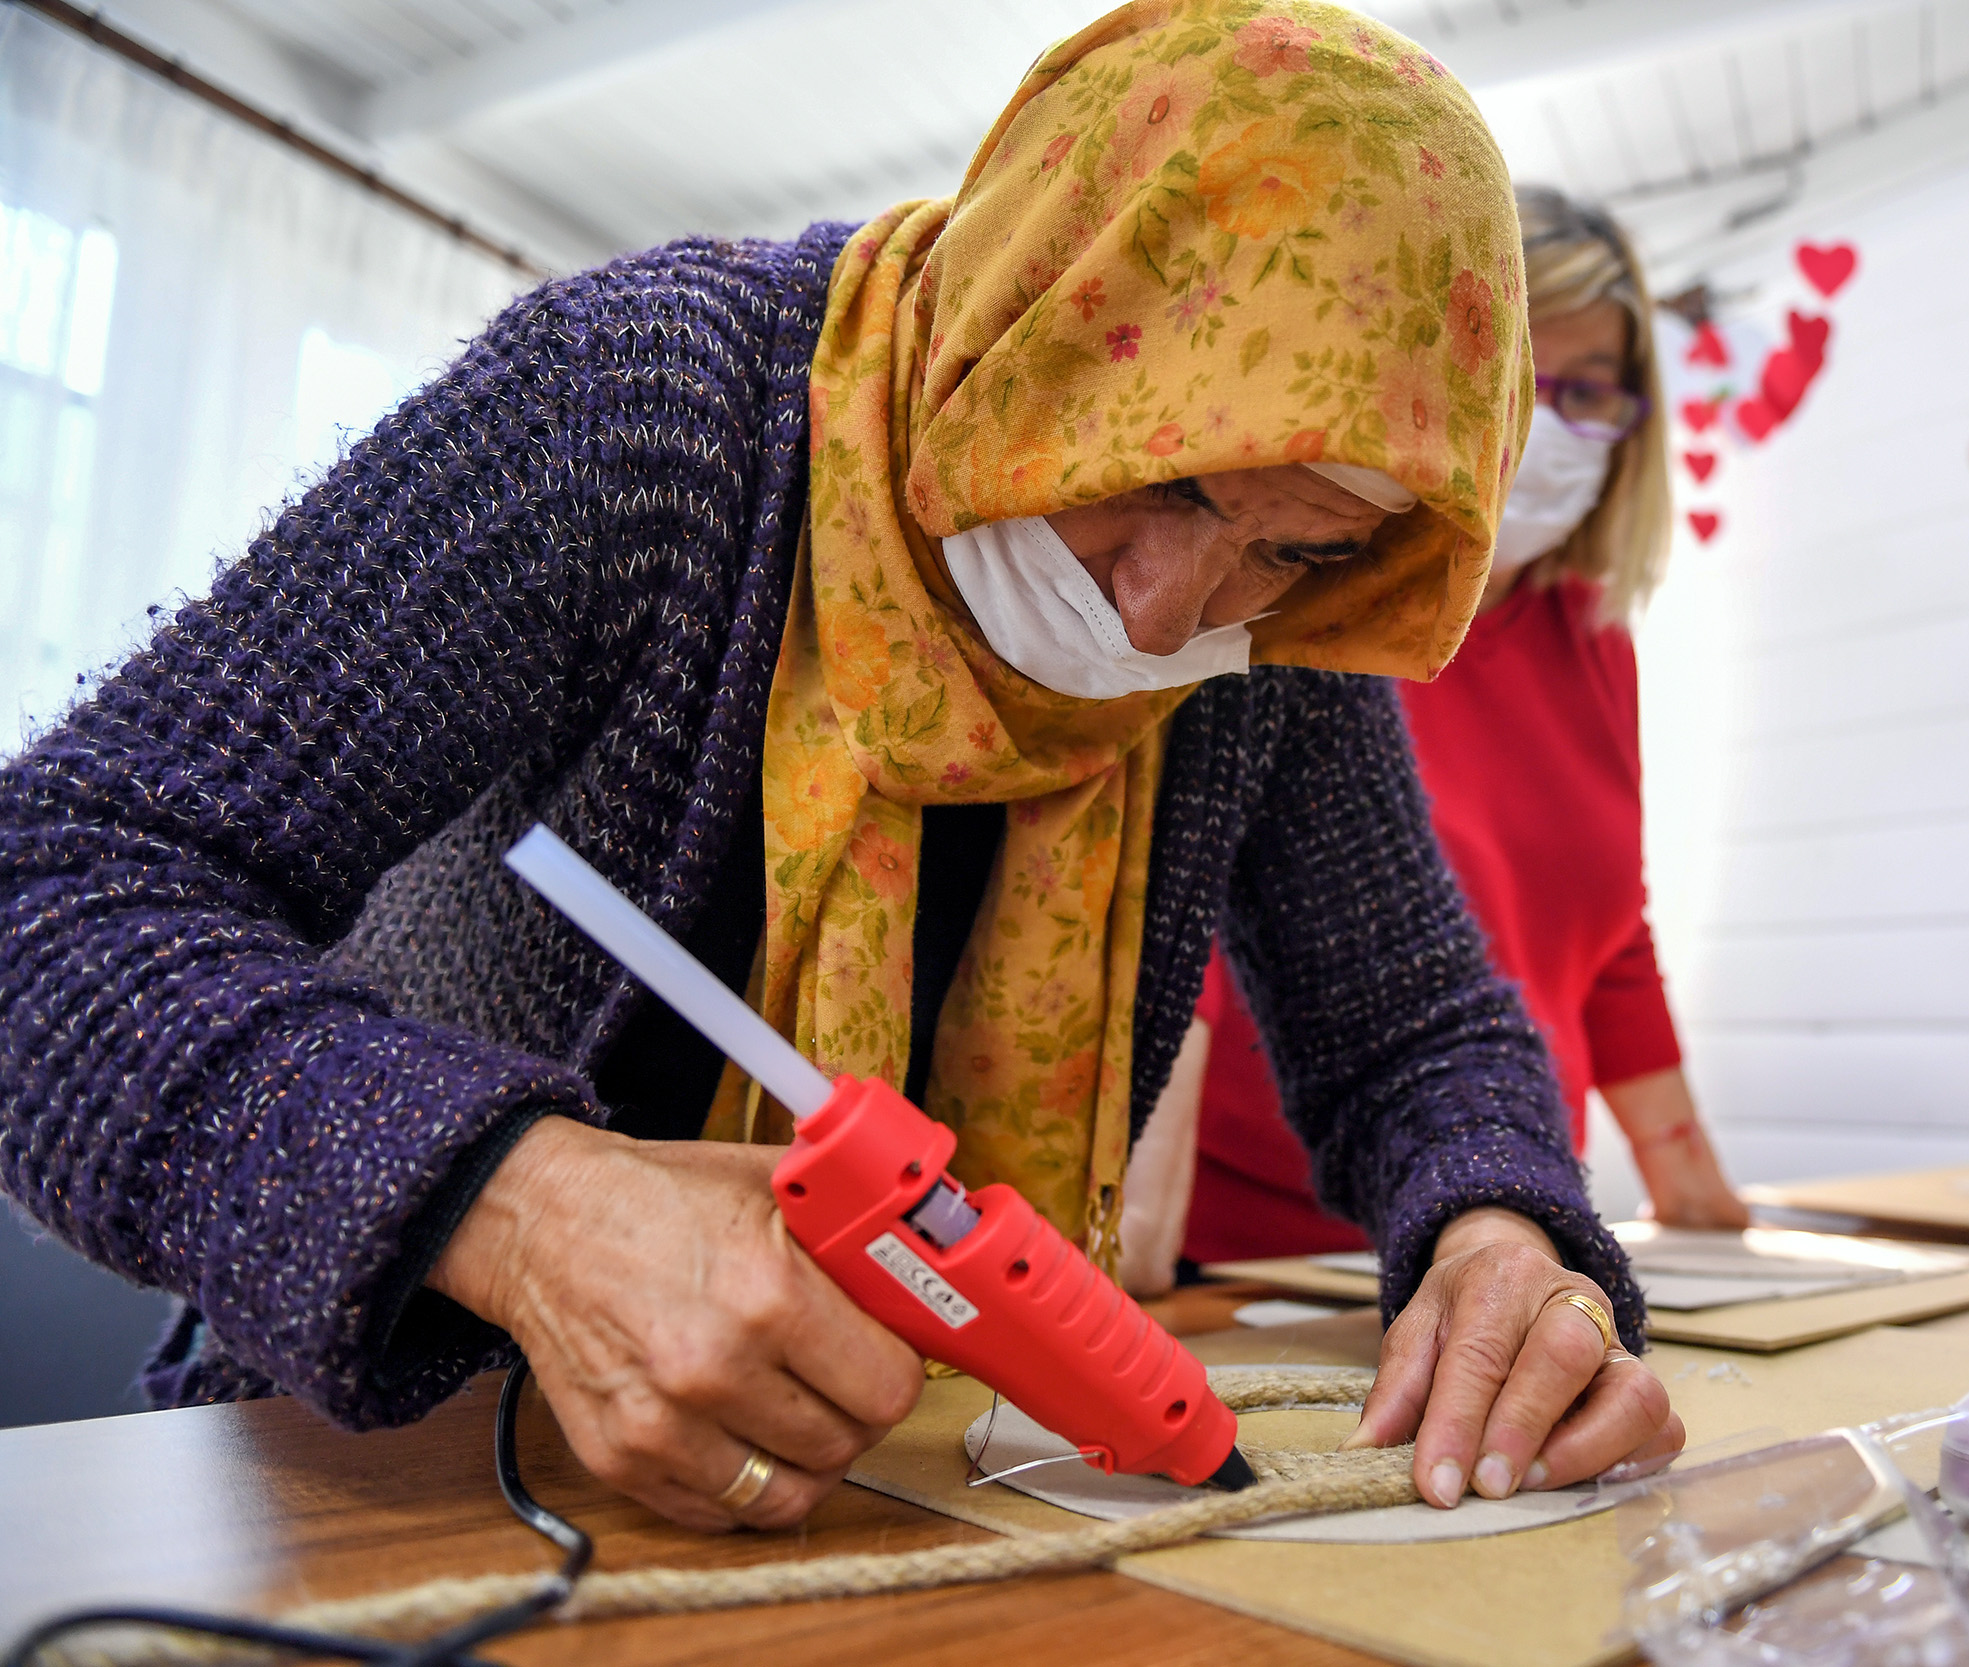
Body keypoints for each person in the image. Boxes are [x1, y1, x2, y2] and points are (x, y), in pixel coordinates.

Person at [0, 3, 1681, 1534]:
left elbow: (1416, 1033)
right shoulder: (636, 408)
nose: (1178, 608)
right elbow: (50, 891)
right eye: (1157, 479)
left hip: (895, 1495)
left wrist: (1503, 1231)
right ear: (1038, 309)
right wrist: (516, 1204)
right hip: (389, 1485)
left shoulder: (1267, 644)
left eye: (1299, 548)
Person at [1121, 186, 1748, 1293]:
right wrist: (1124, 1202)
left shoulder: (1590, 638)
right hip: (1256, 1250)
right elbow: (1186, 893)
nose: (1545, 426)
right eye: (1518, 379)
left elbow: (1611, 934)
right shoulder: (1296, 592)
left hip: (1495, 1209)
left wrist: (1697, 1197)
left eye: (1588, 391)